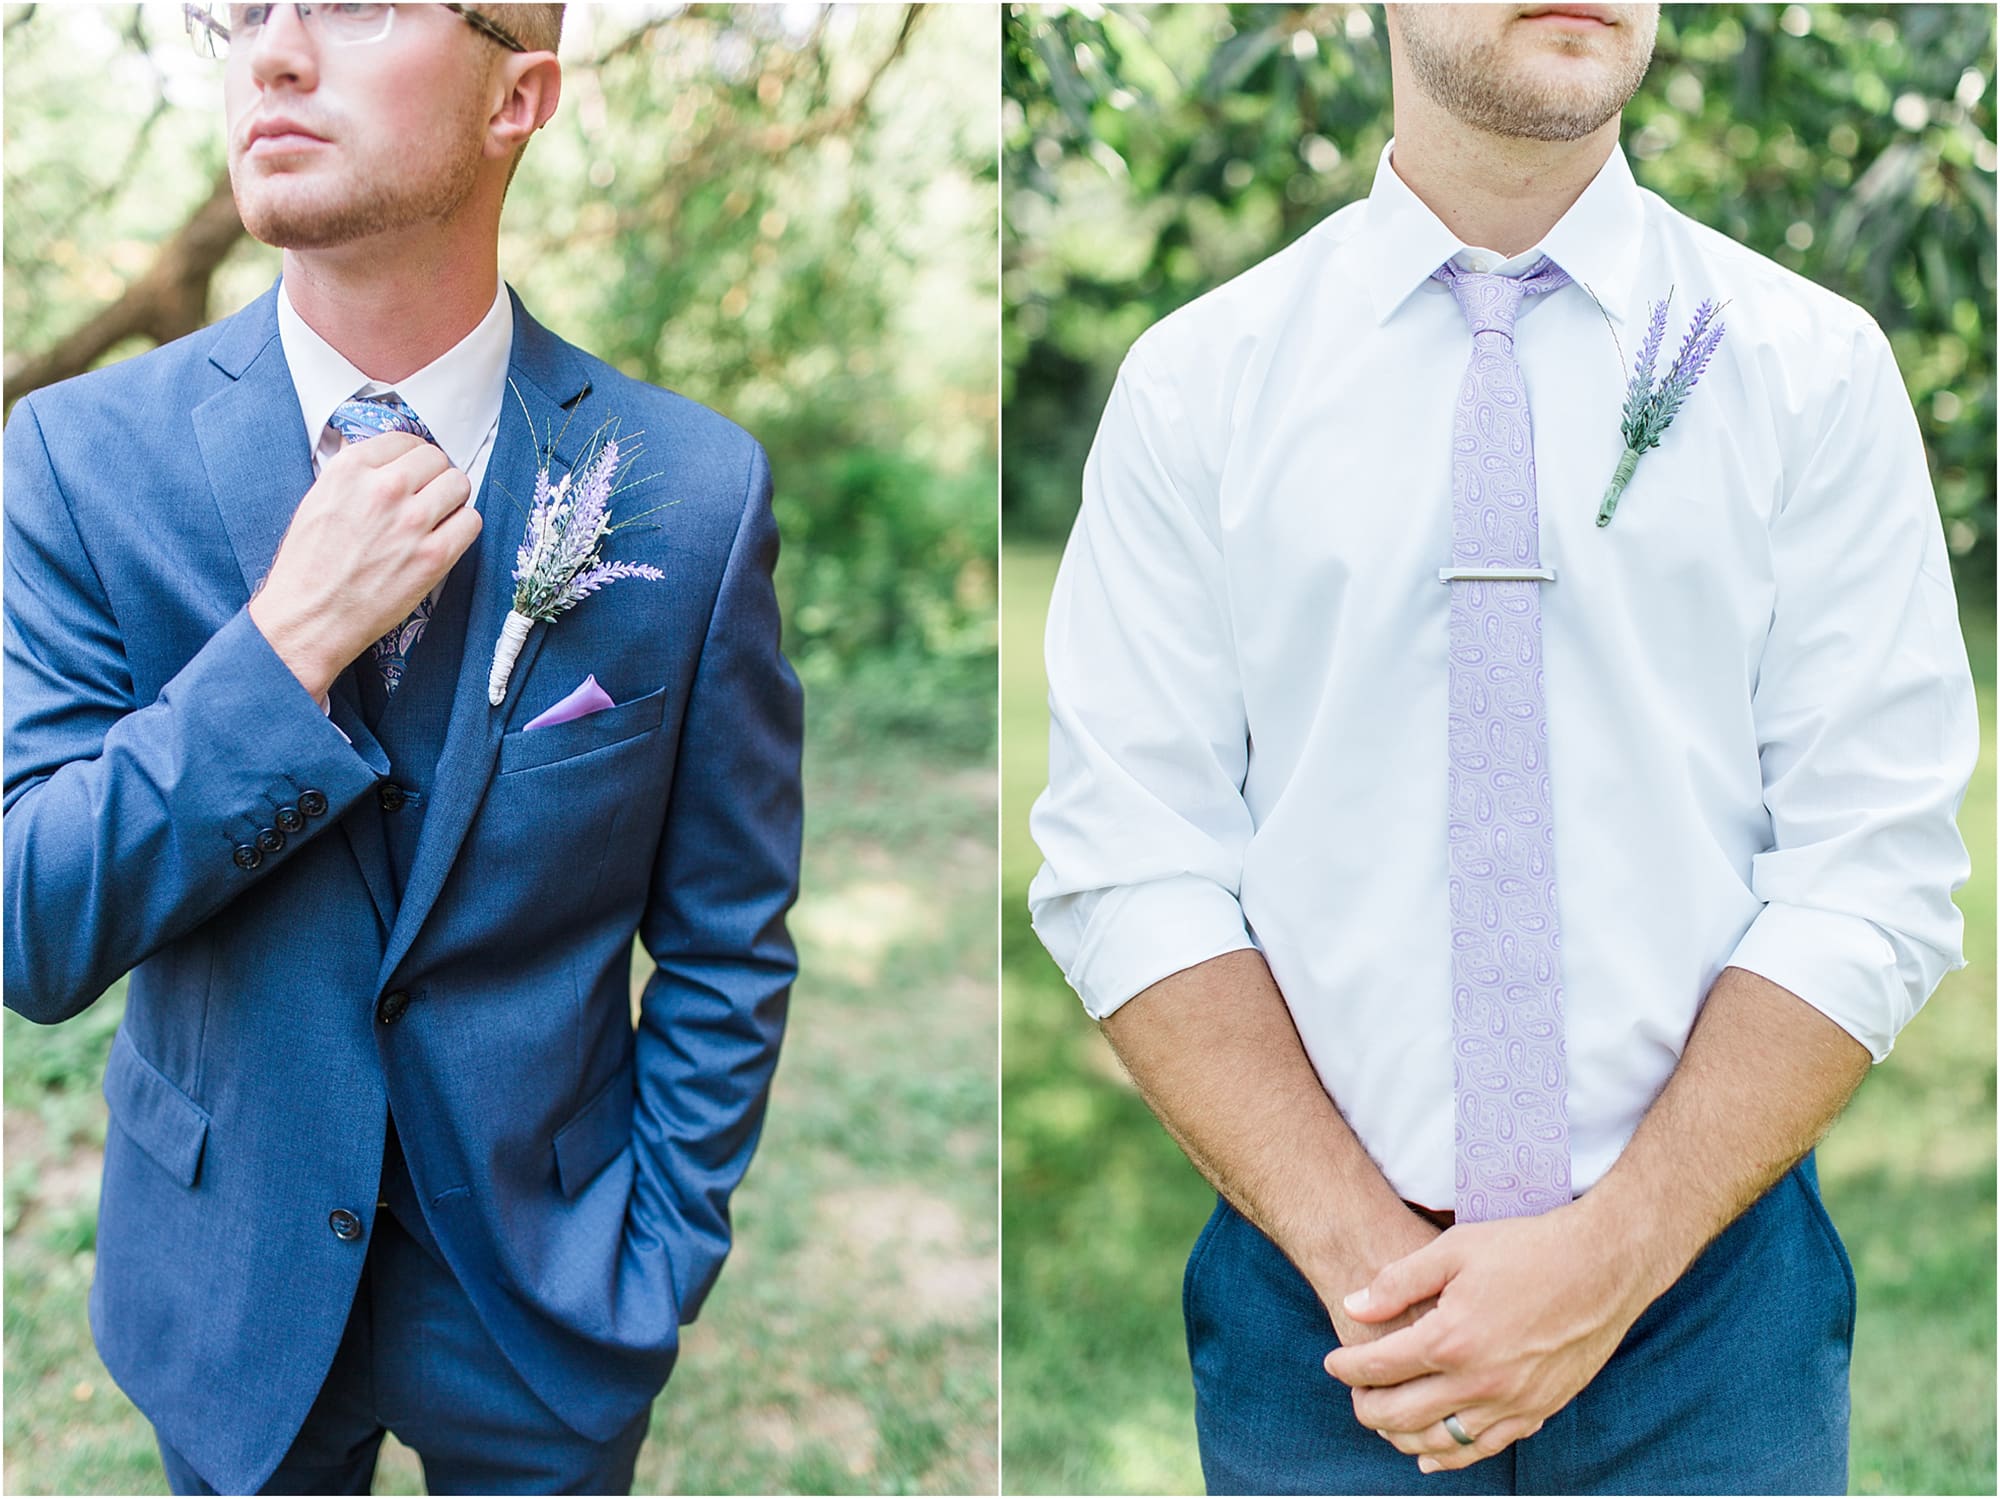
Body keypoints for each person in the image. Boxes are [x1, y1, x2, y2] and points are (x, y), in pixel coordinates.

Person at [1026, 3, 1975, 1493]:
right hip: (1326, 1318)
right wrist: (1368, 1270)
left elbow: (1874, 869)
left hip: (1714, 1317)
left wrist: (1610, 1259)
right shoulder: (1199, 387)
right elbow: (1129, 861)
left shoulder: (1812, 371)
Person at [3, 3, 802, 1493]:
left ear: (521, 94)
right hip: (223, 1281)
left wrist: (663, 1246)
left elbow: (728, 939)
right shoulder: (72, 459)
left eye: (355, 6)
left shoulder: (693, 494)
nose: (275, 54)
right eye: (241, 15)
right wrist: (283, 649)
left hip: (550, 1291)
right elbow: (31, 926)